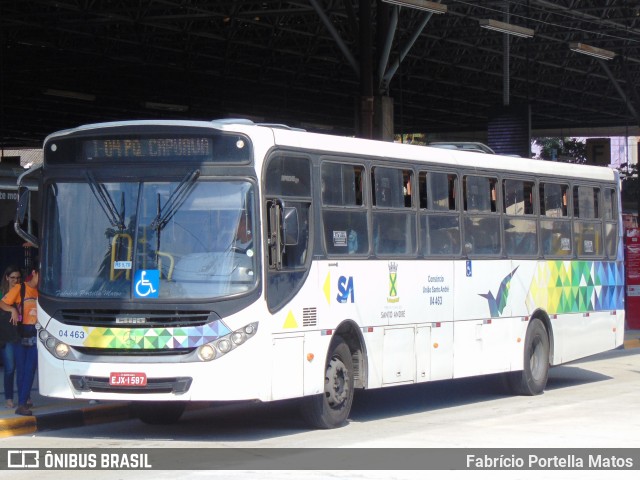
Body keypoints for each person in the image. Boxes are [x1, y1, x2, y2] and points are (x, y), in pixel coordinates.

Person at [0, 265, 39, 416]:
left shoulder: (42, 291)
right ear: (34, 274)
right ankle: (21, 402)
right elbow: (3, 302)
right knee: (21, 369)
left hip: (36, 331)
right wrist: (13, 310)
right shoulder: (20, 288)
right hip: (21, 332)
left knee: (31, 368)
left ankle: (23, 402)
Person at [0, 266, 22, 408]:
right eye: (12, 277)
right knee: (10, 368)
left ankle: (24, 396)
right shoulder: (2, 293)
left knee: (22, 367)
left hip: (20, 334)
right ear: (7, 277)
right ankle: (9, 397)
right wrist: (12, 309)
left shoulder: (22, 291)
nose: (15, 280)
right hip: (6, 335)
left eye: (18, 278)